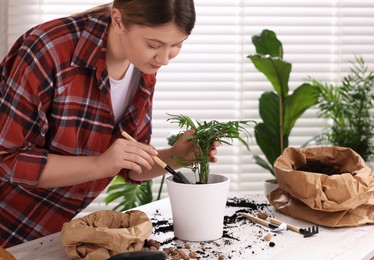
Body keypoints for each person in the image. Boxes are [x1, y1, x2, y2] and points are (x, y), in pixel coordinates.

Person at [0, 0, 219, 248]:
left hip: (46, 232)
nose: (165, 58)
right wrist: (100, 164)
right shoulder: (48, 49)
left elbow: (128, 165)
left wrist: (175, 156)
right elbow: (8, 160)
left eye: (177, 45)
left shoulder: (142, 63)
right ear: (117, 20)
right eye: (154, 45)